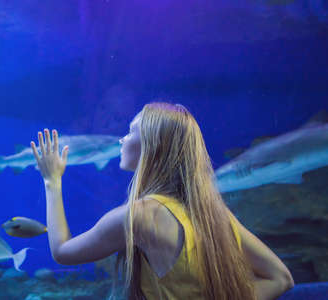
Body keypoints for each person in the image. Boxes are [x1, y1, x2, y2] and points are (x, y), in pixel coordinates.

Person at [30, 102, 294, 300]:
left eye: (131, 131)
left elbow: (62, 252)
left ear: (153, 145)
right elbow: (280, 277)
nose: (122, 139)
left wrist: (52, 180)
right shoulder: (213, 214)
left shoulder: (140, 216)